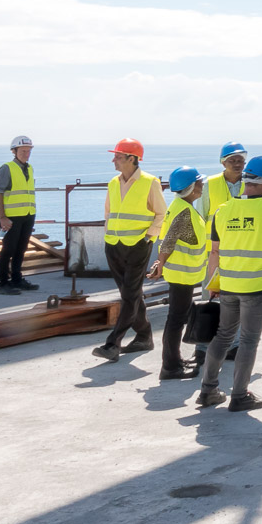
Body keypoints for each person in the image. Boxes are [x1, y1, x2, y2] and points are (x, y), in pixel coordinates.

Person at [196, 155, 262, 411]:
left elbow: (214, 252)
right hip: (257, 287)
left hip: (229, 286)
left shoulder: (222, 211)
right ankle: (240, 395)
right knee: (248, 341)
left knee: (223, 336)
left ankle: (208, 390)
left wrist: (211, 286)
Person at [90, 139, 166, 362]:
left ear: (132, 159)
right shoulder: (113, 182)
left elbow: (161, 214)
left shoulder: (150, 182)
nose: (113, 159)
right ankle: (144, 337)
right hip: (113, 245)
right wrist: (109, 235)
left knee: (130, 295)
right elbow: (109, 213)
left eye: (118, 156)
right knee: (129, 295)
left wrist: (148, 237)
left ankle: (113, 343)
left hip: (137, 247)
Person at [147, 165, 210, 379]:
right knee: (176, 321)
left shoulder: (180, 206)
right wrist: (159, 263)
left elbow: (168, 240)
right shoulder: (184, 212)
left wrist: (160, 263)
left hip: (183, 275)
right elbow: (169, 241)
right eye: (199, 183)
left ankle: (174, 360)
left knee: (177, 319)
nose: (202, 187)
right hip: (182, 276)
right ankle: (170, 367)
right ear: (191, 188)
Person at [0, 135, 39, 296]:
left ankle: (17, 279)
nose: (26, 154)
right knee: (8, 249)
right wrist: (2, 217)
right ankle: (3, 283)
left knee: (21, 249)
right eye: (23, 151)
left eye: (28, 151)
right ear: (14, 151)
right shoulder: (7, 168)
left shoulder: (29, 168)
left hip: (27, 215)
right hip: (11, 217)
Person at [203, 143, 248, 223]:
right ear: (223, 163)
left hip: (243, 235)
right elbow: (201, 215)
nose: (237, 164)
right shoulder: (209, 184)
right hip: (215, 235)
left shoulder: (251, 183)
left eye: (240, 161)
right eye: (232, 161)